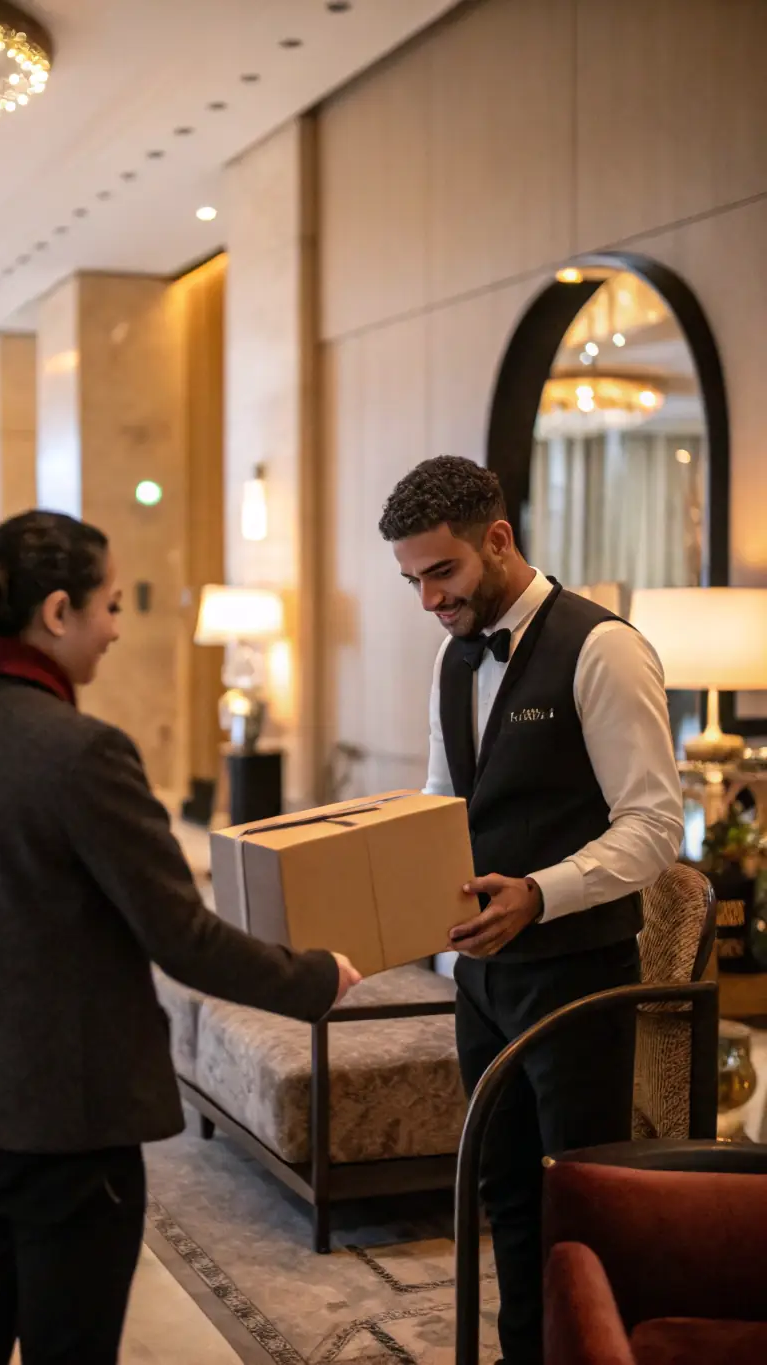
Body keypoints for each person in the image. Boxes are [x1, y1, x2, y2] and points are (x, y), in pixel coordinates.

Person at [0, 510, 361, 1365]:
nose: (115, 627)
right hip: (62, 1122)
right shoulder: (84, 752)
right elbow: (182, 937)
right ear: (59, 611)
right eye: (109, 605)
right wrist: (314, 977)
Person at [378, 457, 683, 1365]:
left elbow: (655, 825)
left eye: (444, 572)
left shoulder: (603, 647)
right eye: (413, 580)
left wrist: (541, 893)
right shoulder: (450, 653)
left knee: (580, 1207)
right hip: (482, 981)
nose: (430, 599)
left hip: (580, 975)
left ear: (498, 540)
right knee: (504, 1194)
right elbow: (445, 800)